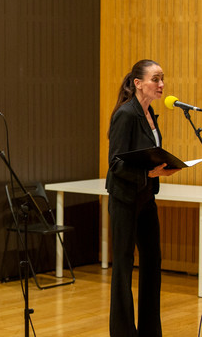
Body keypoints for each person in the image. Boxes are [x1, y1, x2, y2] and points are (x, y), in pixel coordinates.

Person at [105, 59, 180, 337]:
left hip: (146, 198)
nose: (161, 85)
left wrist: (162, 169)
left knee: (152, 262)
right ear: (138, 83)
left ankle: (150, 331)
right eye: (155, 79)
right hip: (125, 199)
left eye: (163, 79)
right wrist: (148, 174)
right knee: (123, 267)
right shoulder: (126, 114)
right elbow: (116, 165)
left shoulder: (150, 114)